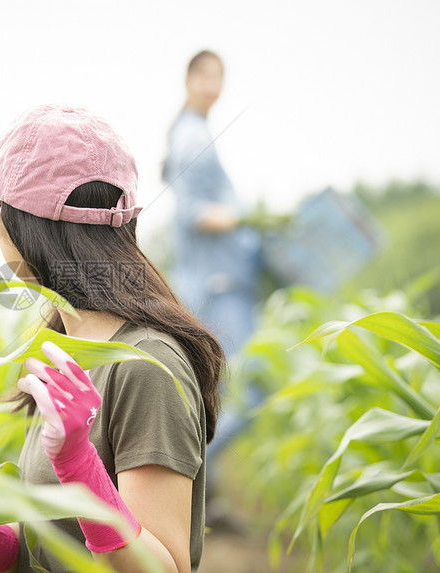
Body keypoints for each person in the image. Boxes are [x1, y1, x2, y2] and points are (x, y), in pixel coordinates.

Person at [0, 105, 225, 572]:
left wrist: (78, 465)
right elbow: (59, 549)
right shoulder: (61, 352)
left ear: (24, 227)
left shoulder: (145, 365)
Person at [162, 50, 263, 522]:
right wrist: (243, 218)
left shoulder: (194, 131)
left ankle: (198, 497)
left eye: (218, 77)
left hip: (215, 280)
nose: (210, 84)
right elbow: (192, 212)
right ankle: (182, 486)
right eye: (203, 75)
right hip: (216, 284)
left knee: (218, 393)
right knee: (250, 390)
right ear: (187, 80)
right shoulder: (190, 135)